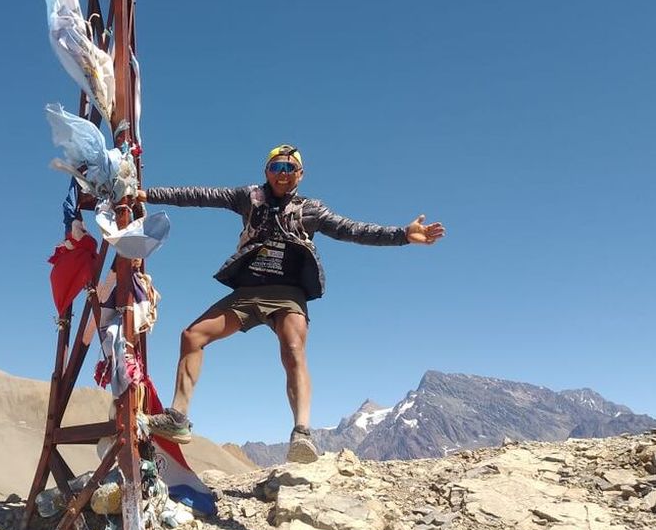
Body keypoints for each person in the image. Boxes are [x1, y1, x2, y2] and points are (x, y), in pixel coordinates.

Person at [137, 144, 445, 463]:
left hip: (288, 293)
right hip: (248, 291)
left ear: (300, 174)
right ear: (266, 171)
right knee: (192, 336)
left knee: (293, 349)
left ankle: (302, 434)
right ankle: (177, 417)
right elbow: (199, 196)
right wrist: (147, 195)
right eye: (275, 168)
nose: (282, 175)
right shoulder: (249, 198)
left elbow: (352, 230)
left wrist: (402, 235)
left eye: (289, 169)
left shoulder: (311, 209)